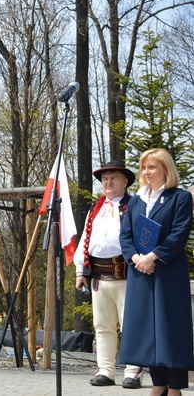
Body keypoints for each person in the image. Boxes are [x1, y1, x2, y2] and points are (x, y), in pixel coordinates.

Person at [118, 148, 194, 396]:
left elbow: (179, 234)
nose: (146, 172)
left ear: (165, 169)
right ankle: (158, 383)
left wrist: (153, 256)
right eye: (144, 168)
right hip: (141, 272)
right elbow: (126, 234)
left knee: (169, 327)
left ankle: (174, 387)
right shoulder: (137, 200)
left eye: (152, 167)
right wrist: (137, 258)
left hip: (167, 272)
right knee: (146, 331)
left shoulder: (180, 198)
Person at [73, 161, 143, 388]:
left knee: (130, 325)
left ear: (125, 182)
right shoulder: (96, 209)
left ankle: (133, 372)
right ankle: (105, 370)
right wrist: (80, 271)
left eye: (114, 178)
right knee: (102, 326)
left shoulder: (134, 206)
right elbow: (86, 239)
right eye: (105, 179)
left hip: (127, 274)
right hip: (99, 277)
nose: (108, 183)